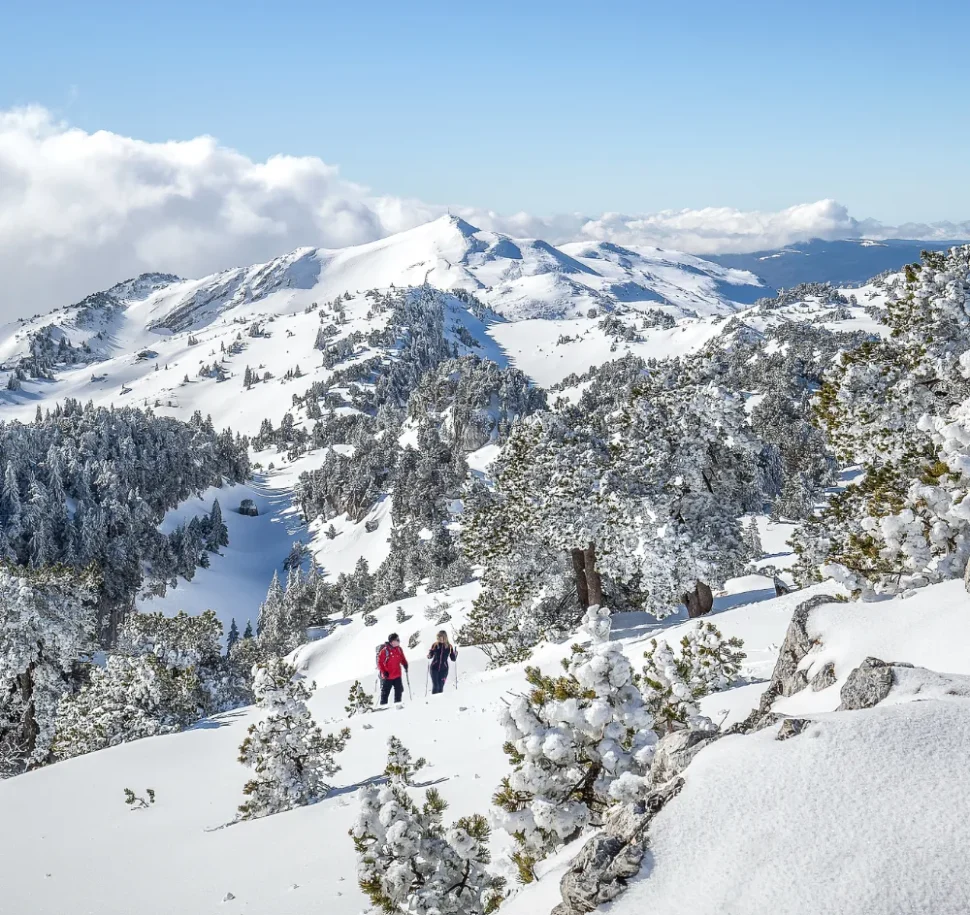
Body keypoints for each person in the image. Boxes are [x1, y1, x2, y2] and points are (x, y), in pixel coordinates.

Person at [377, 633, 409, 705]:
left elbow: (402, 658)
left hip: (397, 675)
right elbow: (380, 663)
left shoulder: (399, 649)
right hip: (388, 676)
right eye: (396, 640)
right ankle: (383, 706)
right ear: (392, 642)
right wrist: (384, 672)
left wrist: (405, 664)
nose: (398, 641)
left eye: (398, 640)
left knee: (399, 690)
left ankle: (397, 704)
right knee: (385, 692)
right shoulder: (385, 651)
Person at [427, 630, 457, 695]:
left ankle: (439, 703)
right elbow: (431, 654)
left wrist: (455, 654)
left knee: (440, 687)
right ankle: (433, 702)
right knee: (436, 686)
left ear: (445, 637)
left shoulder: (449, 647)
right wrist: (429, 655)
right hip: (434, 668)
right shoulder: (435, 645)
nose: (439, 639)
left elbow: (453, 659)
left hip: (444, 670)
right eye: (438, 637)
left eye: (441, 637)